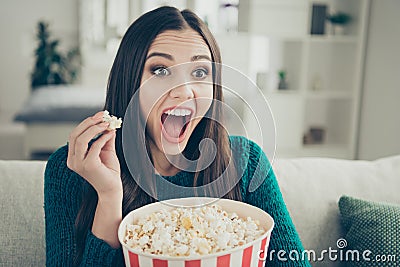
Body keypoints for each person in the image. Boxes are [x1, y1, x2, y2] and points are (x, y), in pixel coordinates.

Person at [44, 6, 311, 266]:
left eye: (199, 72)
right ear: (129, 80)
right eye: (160, 70)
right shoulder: (70, 170)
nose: (184, 91)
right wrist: (109, 195)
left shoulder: (246, 162)